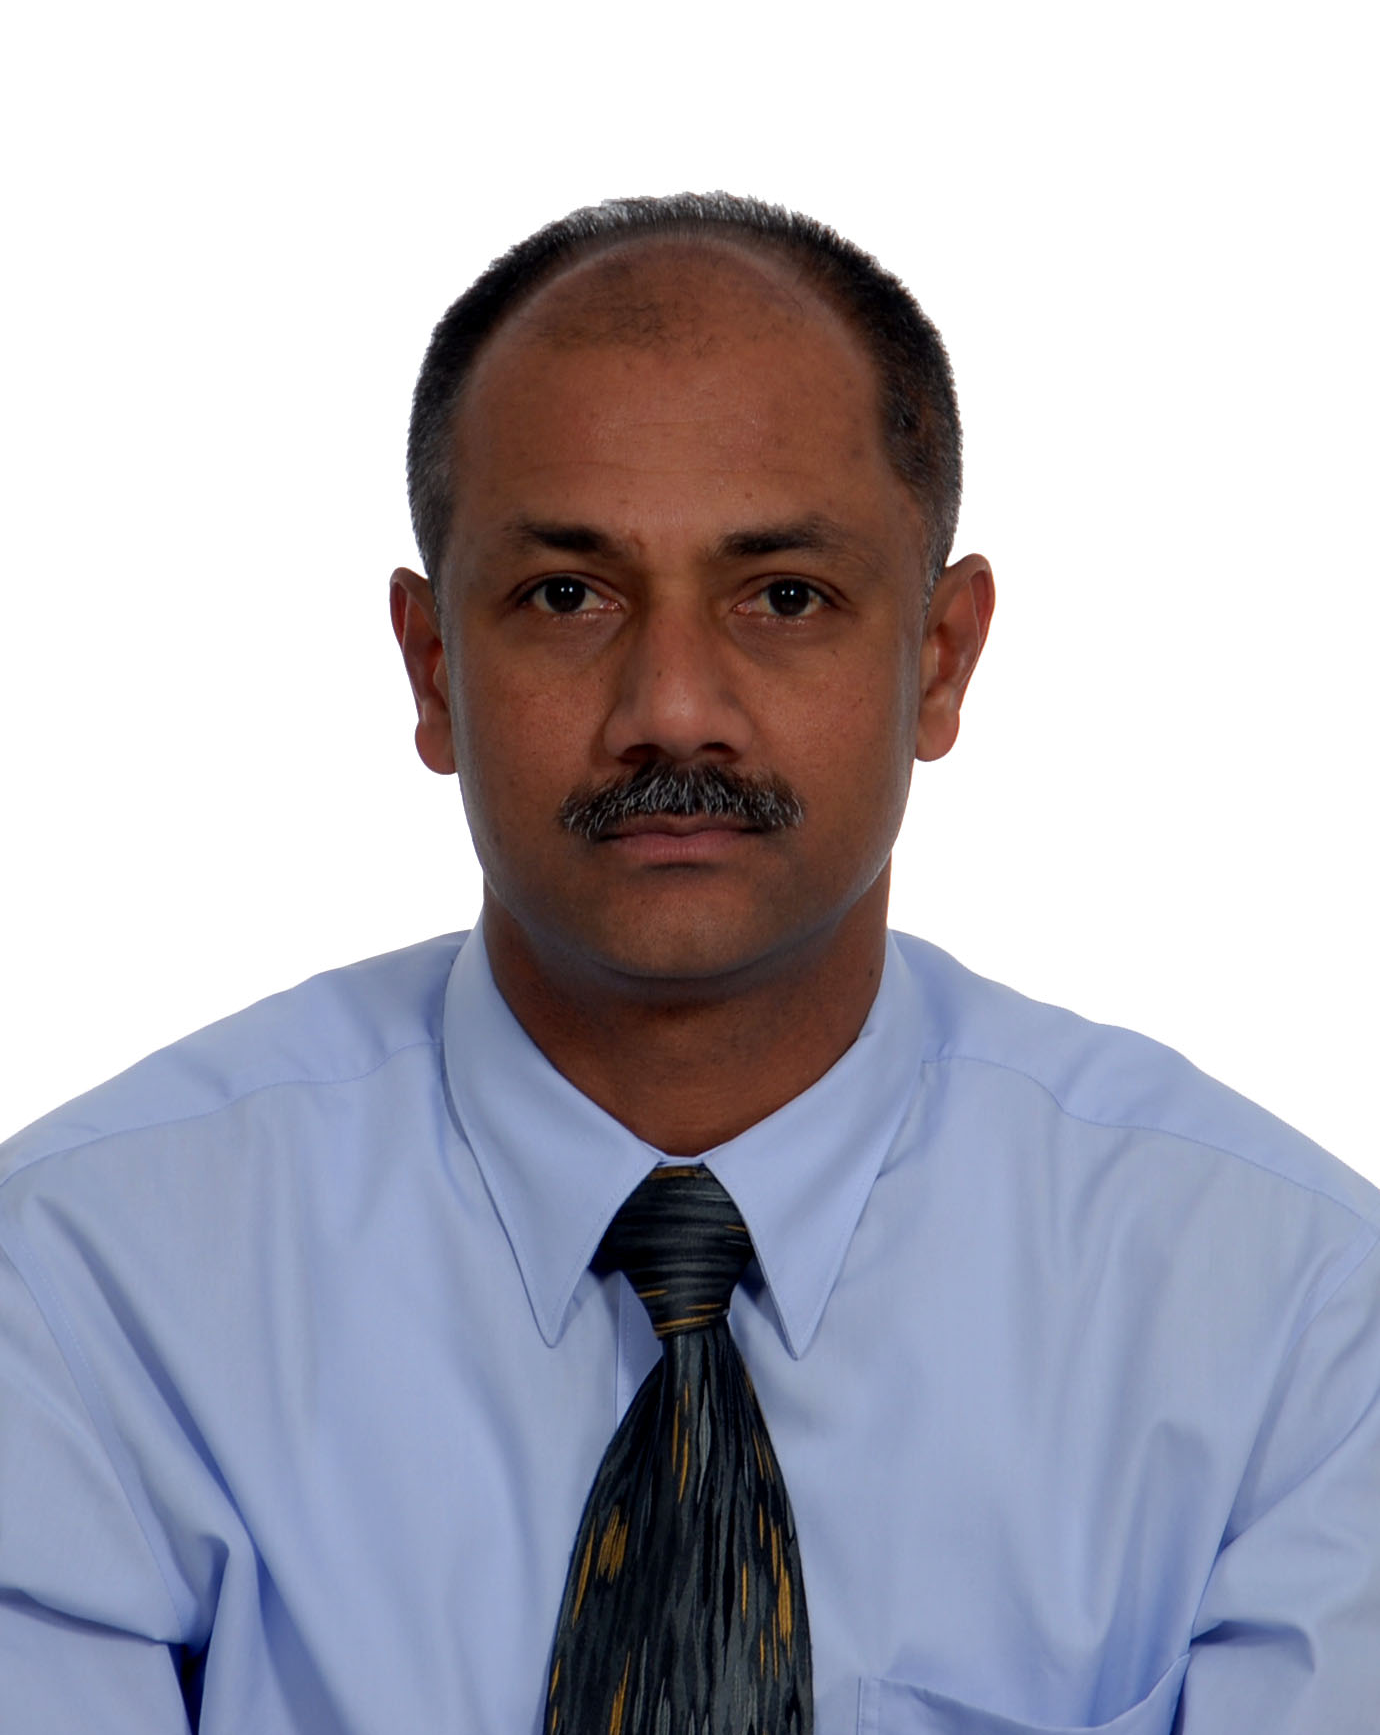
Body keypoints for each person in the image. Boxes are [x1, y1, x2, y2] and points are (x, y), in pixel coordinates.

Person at [1, 193, 1376, 1735]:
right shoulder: (78, 1293)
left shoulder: (1295, 1320)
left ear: (939, 658)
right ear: (433, 667)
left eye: (784, 597)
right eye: (567, 596)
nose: (671, 707)